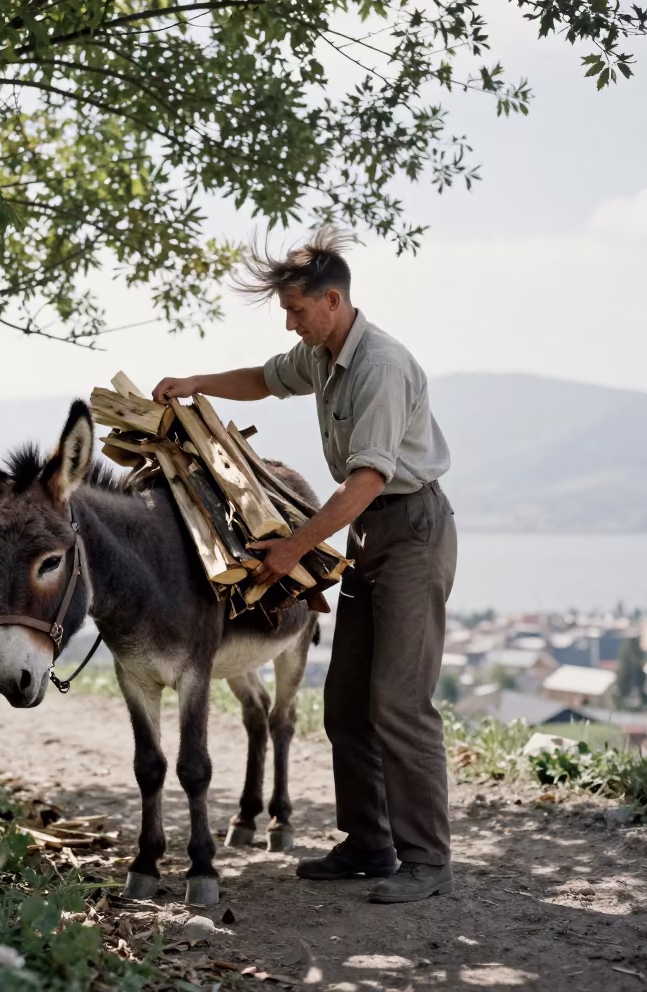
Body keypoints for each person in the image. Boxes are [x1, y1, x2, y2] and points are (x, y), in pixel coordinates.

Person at [152, 229, 457, 904]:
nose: (290, 324)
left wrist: (292, 547)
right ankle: (369, 845)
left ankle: (428, 861)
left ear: (333, 299)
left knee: (399, 703)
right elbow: (264, 379)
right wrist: (197, 382)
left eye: (296, 312)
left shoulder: (378, 366)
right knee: (345, 703)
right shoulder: (320, 354)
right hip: (368, 537)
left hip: (409, 530)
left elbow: (368, 479)